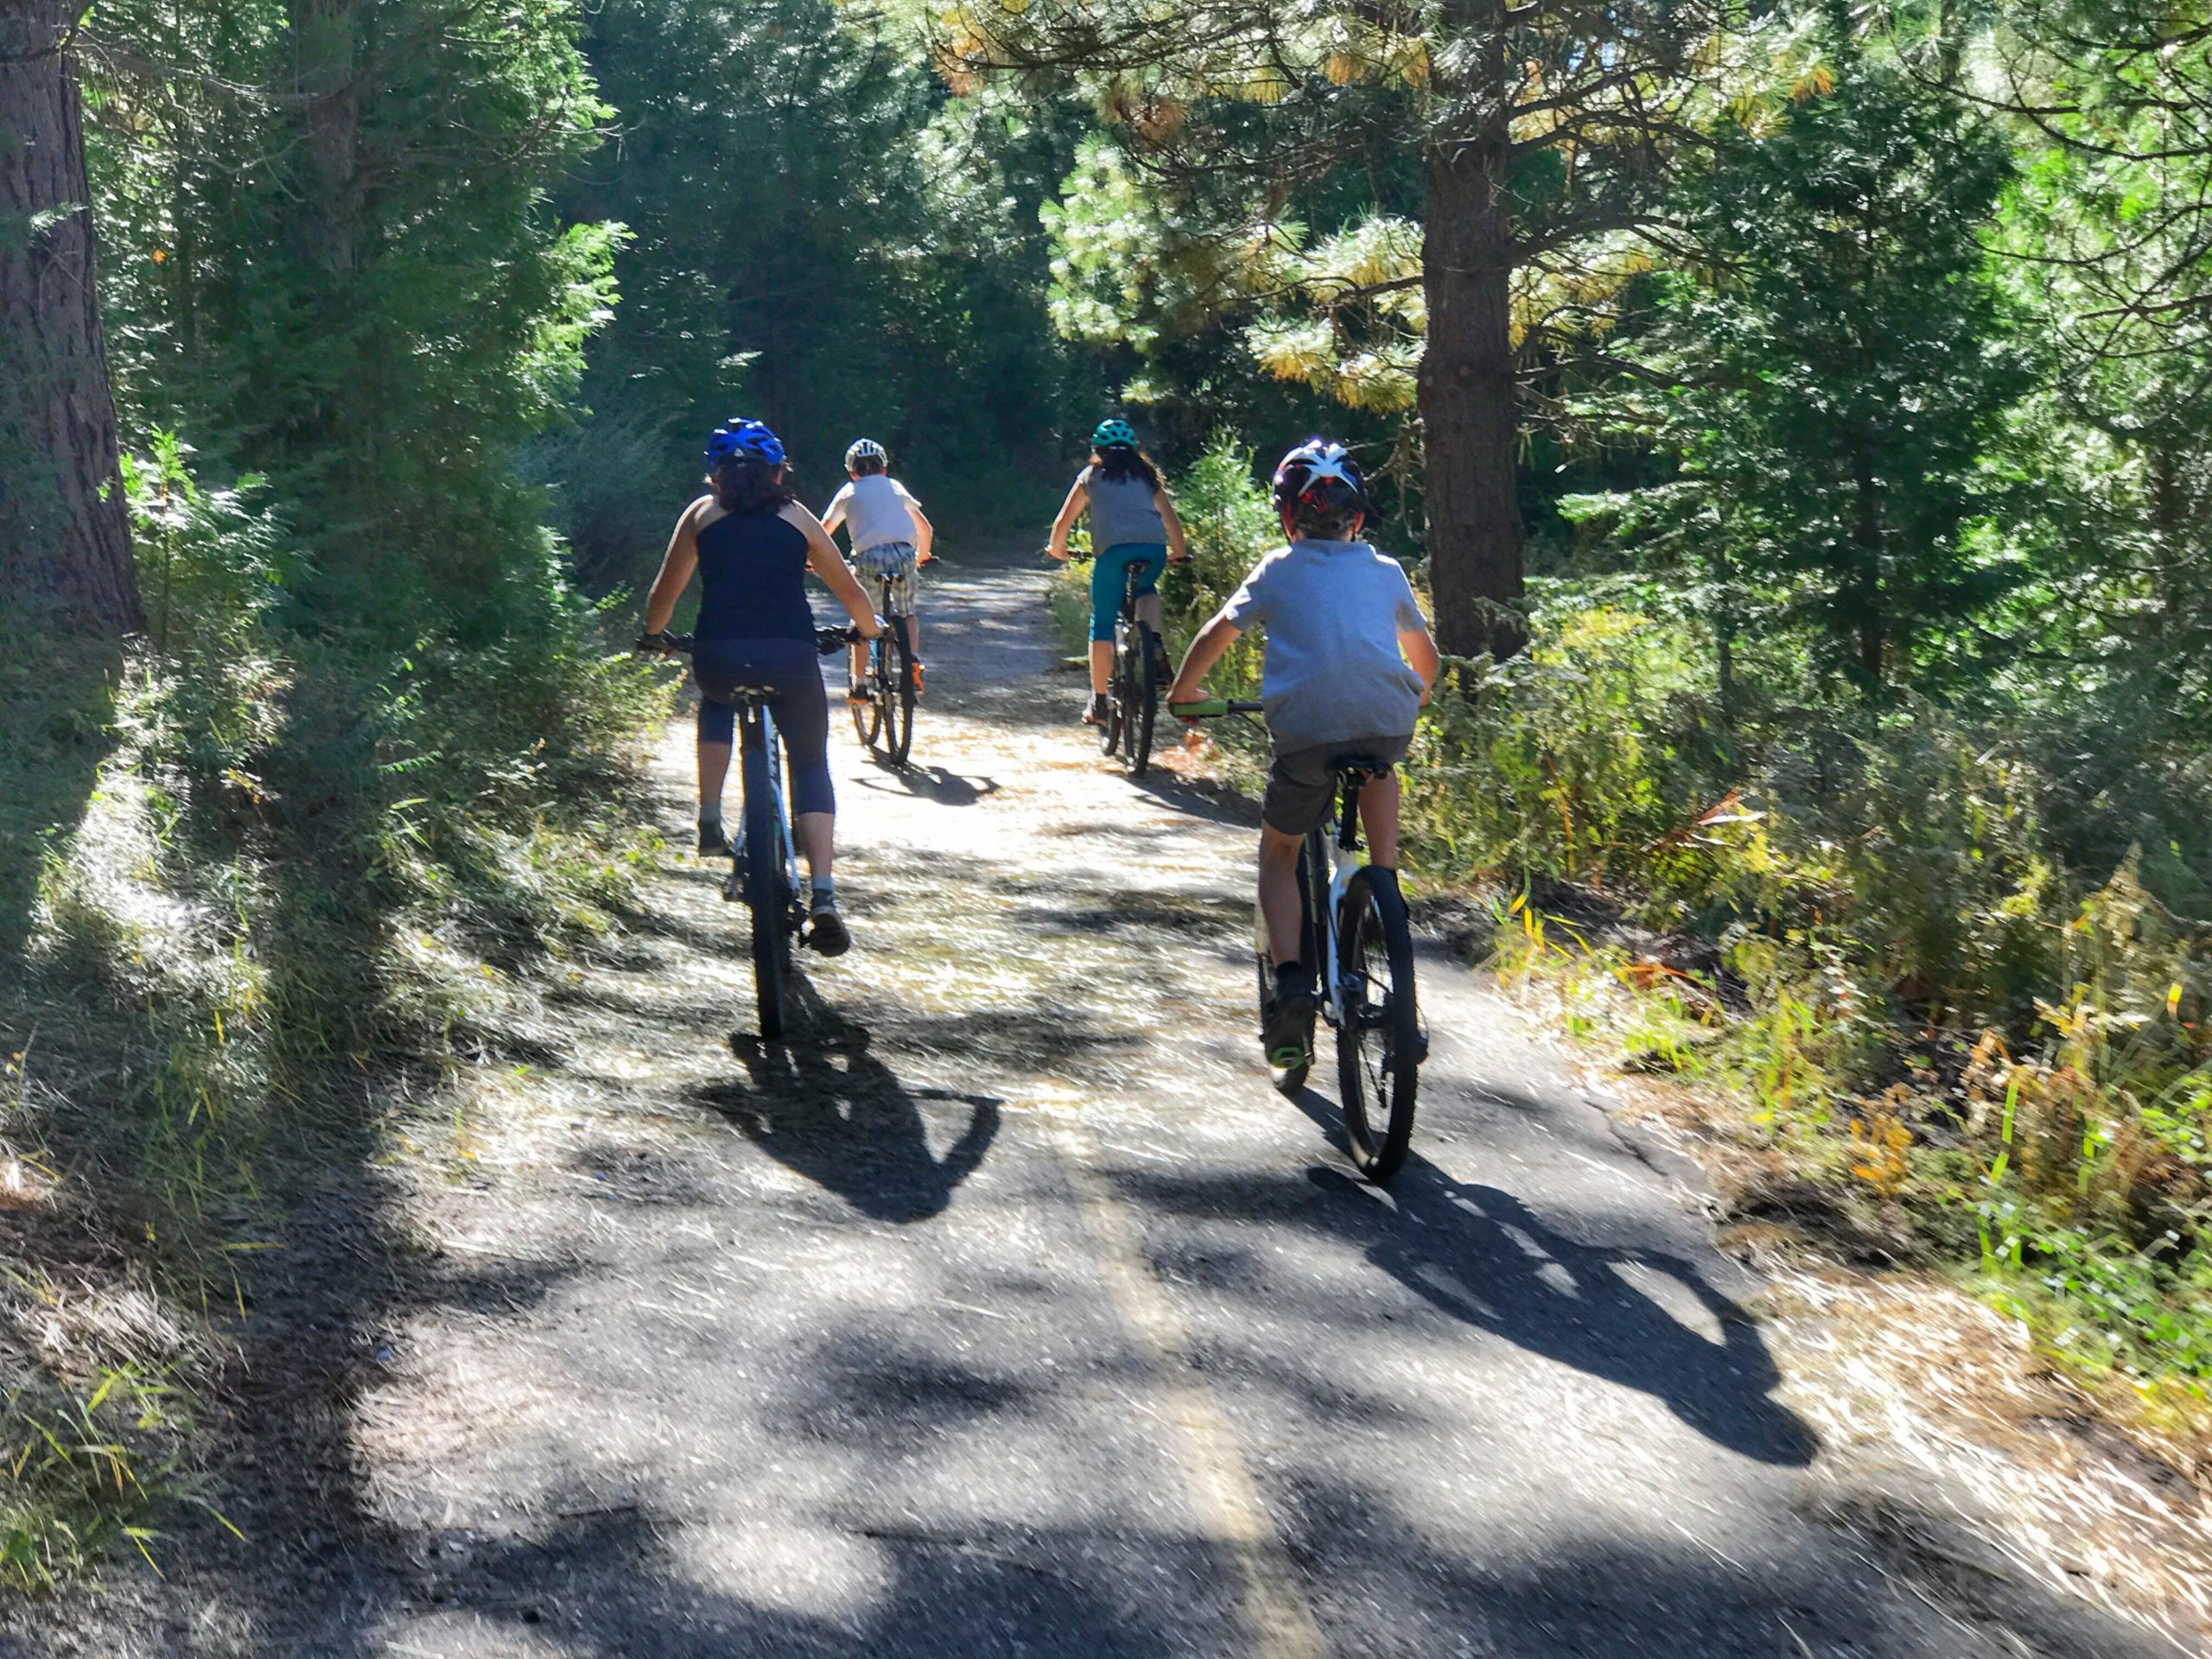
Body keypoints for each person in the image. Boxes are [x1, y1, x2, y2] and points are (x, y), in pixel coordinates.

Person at [1166, 438, 1440, 1069]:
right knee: (1380, 761)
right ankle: (1387, 893)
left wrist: (1185, 692)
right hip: (1386, 722)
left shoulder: (1276, 569)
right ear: (1359, 519)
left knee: (1280, 854)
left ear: (1287, 518)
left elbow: (1218, 633)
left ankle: (1292, 985)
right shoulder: (1386, 570)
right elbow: (1426, 661)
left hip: (1307, 736)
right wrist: (1415, 696)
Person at [640, 418, 881, 956]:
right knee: (811, 763)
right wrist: (870, 630)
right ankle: (822, 897)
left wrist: (654, 636)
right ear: (777, 473)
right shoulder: (797, 519)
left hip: (719, 658)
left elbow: (664, 595)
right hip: (792, 658)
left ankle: (708, 816)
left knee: (716, 697)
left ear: (715, 474)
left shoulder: (700, 516)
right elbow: (848, 590)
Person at [1046, 417, 1188, 725]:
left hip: (1112, 553)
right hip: (1152, 550)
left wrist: (1058, 550)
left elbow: (1063, 522)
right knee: (1147, 590)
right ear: (1134, 451)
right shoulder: (1147, 477)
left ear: (1098, 451)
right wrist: (1178, 552)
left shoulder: (1091, 477)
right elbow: (1171, 520)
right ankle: (1153, 644)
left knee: (1103, 621)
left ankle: (1098, 703)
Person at [821, 438, 933, 702]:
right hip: (903, 555)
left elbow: (825, 528)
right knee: (907, 613)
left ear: (852, 472)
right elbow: (925, 528)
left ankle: (859, 685)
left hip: (868, 559)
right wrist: (923, 555)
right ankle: (912, 663)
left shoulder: (849, 492)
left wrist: (813, 559)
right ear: (884, 469)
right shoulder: (895, 487)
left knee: (863, 620)